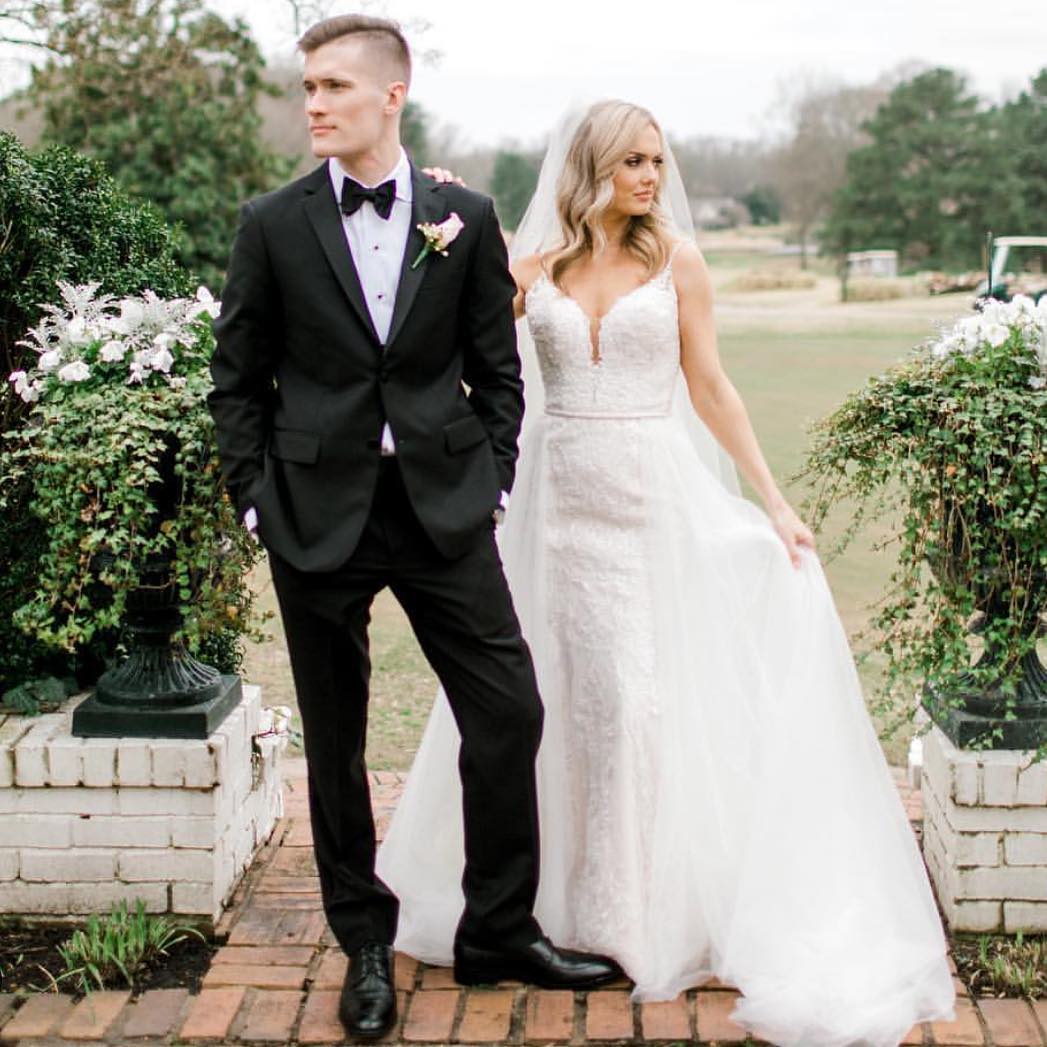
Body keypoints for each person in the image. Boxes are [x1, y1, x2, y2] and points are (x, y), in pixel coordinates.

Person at [376, 100, 957, 1047]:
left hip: (652, 501)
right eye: (634, 161)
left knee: (639, 704)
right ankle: (530, 906)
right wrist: (432, 220)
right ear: (593, 165)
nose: (651, 176)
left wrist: (771, 498)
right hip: (554, 507)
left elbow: (710, 384)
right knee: (543, 700)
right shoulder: (533, 269)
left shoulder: (676, 261)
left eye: (658, 160)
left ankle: (636, 913)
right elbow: (440, 345)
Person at [206, 18, 620, 1042]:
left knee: (508, 710)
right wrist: (255, 499)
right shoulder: (271, 221)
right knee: (337, 743)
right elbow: (237, 379)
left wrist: (492, 483)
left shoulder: (464, 217)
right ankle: (361, 942)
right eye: (307, 86)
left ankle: (498, 930)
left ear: (391, 95)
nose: (312, 104)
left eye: (334, 86)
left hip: (442, 510)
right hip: (315, 518)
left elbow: (499, 368)